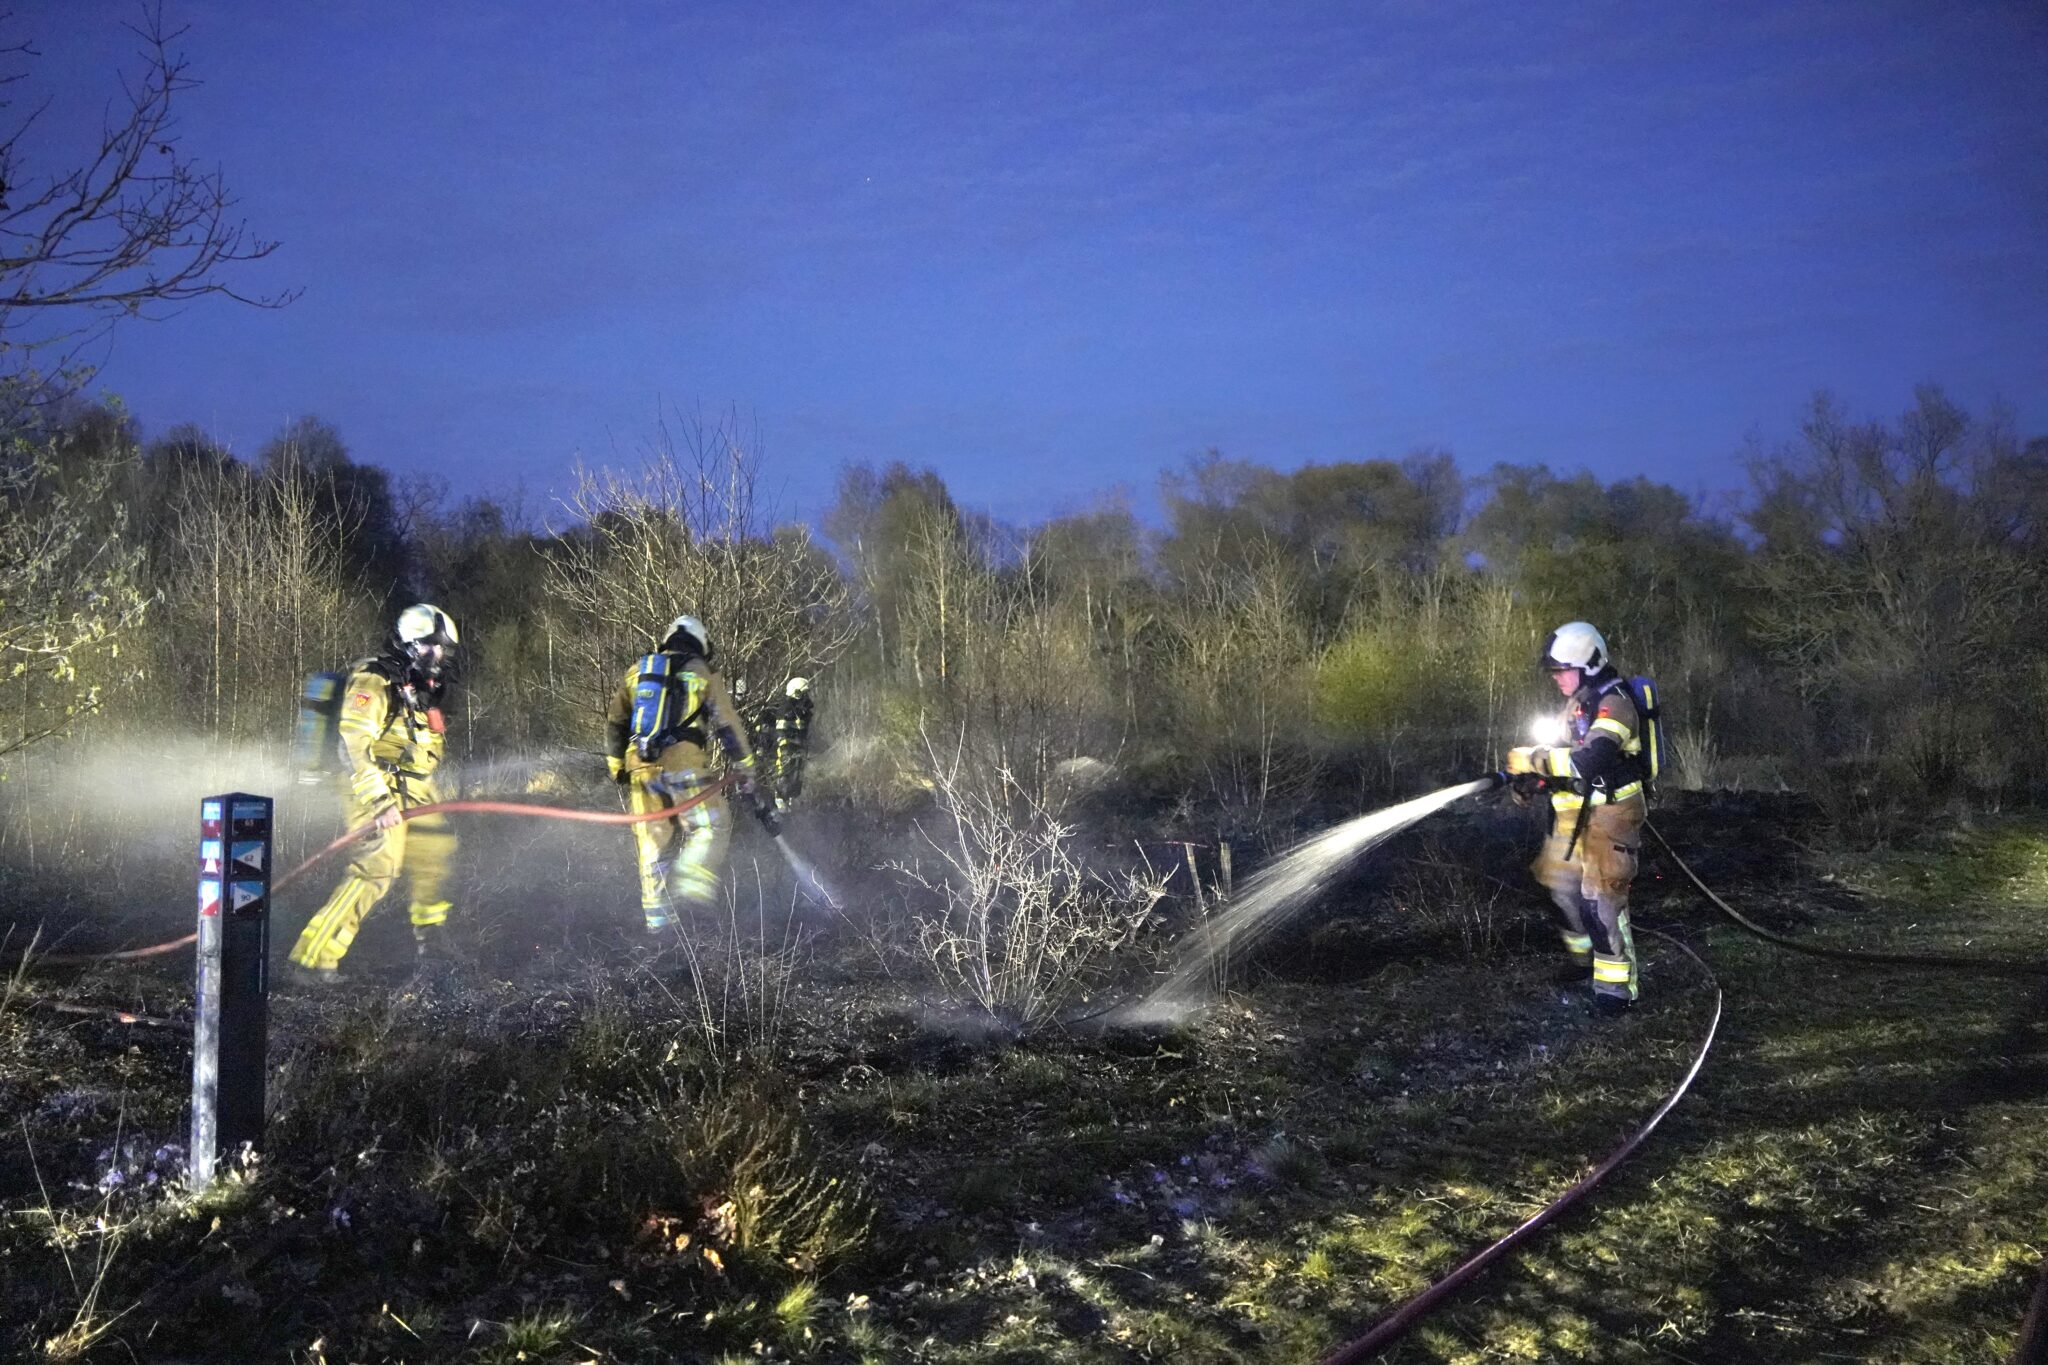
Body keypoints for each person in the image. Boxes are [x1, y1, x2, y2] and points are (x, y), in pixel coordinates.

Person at [287, 604, 461, 983]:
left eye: (442, 649)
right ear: (410, 643)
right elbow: (354, 743)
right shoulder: (374, 679)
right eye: (431, 647)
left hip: (413, 787)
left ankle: (432, 941)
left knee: (436, 846)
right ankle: (312, 958)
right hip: (372, 785)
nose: (438, 655)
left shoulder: (417, 688)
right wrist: (379, 801)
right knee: (378, 867)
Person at [1505, 621, 1651, 1014]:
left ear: (1587, 664)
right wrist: (1534, 781)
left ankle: (1615, 991)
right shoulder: (1576, 706)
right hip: (1574, 815)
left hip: (1612, 816)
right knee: (1556, 885)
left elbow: (1589, 760)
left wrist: (1532, 759)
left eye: (1561, 670)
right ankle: (1581, 960)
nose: (1556, 679)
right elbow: (1563, 759)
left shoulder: (1616, 704)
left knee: (1600, 900)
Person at [604, 614, 758, 933]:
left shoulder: (637, 671)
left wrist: (617, 765)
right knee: (711, 827)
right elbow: (727, 724)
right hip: (684, 765)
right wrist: (744, 766)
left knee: (652, 846)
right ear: (700, 642)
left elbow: (616, 721)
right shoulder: (702, 671)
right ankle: (691, 888)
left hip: (640, 770)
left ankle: (659, 927)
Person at [760, 675, 814, 812]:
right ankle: (780, 801)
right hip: (787, 747)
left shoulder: (802, 712)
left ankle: (791, 801)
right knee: (784, 771)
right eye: (804, 694)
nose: (807, 698)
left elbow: (803, 730)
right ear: (797, 693)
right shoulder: (786, 710)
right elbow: (781, 732)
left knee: (797, 774)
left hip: (798, 747)